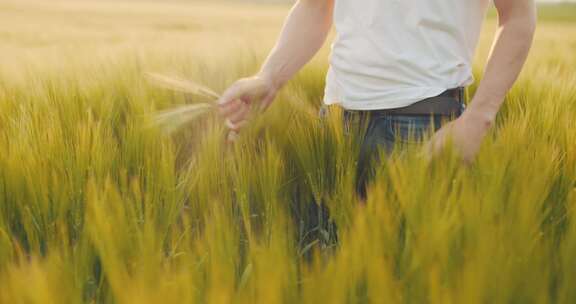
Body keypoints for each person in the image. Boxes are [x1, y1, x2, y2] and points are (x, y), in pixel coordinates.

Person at [217, 0, 536, 199]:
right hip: (335, 123)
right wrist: (269, 77)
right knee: (326, 266)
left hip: (424, 126)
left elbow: (517, 15)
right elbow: (315, 5)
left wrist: (478, 119)